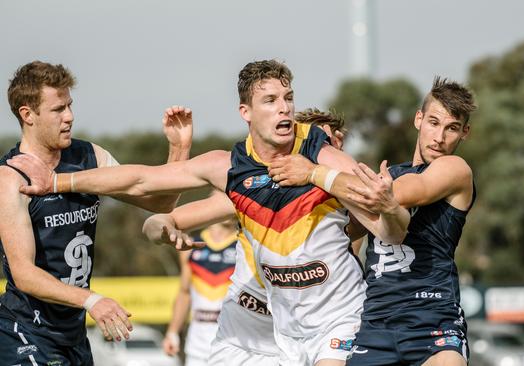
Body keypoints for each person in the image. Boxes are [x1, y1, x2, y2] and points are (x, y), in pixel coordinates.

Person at [9, 60, 411, 366]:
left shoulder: (325, 160)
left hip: (332, 321)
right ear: (246, 112)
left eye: (288, 99)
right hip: (266, 328)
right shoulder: (232, 170)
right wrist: (60, 184)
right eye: (271, 101)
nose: (284, 109)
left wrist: (355, 190)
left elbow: (392, 231)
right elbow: (148, 187)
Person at [268, 76, 477, 366]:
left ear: (464, 133)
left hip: (433, 321)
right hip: (375, 324)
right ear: (419, 119)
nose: (439, 137)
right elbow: (347, 239)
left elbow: (398, 193)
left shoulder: (454, 169)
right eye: (433, 122)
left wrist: (314, 171)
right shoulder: (386, 173)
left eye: (451, 128)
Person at [0, 61, 193, 365]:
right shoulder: (11, 178)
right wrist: (92, 301)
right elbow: (24, 275)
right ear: (28, 115)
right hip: (25, 332)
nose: (70, 117)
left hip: (73, 335)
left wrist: (179, 151)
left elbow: (159, 202)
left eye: (70, 105)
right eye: (58, 109)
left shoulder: (90, 156)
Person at [145, 107, 352, 366]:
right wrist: (164, 229)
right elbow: (164, 217)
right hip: (249, 333)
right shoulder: (256, 194)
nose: (312, 154)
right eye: (307, 145)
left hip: (311, 333)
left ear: (337, 143)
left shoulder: (349, 198)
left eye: (323, 145)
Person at [160, 218, 239, 366]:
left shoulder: (245, 244)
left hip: (234, 345)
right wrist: (172, 332)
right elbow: (184, 292)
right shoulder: (191, 245)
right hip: (197, 346)